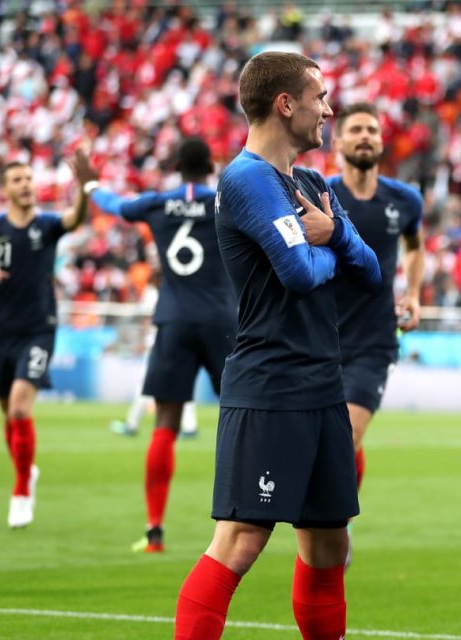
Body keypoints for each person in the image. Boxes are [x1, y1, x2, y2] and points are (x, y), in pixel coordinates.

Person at [172, 51, 380, 640]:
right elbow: (297, 271)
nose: (330, 109)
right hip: (269, 385)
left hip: (321, 384)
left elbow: (368, 270)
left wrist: (334, 234)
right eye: (320, 97)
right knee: (240, 540)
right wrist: (332, 249)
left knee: (329, 544)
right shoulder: (244, 178)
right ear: (286, 104)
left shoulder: (312, 183)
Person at [89, 137, 236, 553]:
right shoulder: (225, 201)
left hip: (173, 318)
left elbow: (113, 205)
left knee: (165, 425)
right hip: (221, 320)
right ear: (211, 165)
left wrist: (88, 186)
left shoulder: (156, 203)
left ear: (176, 166)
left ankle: (154, 531)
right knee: (241, 417)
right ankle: (246, 515)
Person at [0, 149, 97, 528]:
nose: (26, 185)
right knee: (8, 415)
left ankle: (20, 489)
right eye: (17, 180)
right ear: (5, 190)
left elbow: (74, 217)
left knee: (20, 408)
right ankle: (26, 470)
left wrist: (83, 190)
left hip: (39, 329)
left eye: (29, 178)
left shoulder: (47, 225)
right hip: (0, 332)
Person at [327, 102, 425, 491]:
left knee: (345, 434)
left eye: (372, 130)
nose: (365, 136)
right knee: (333, 435)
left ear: (382, 142)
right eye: (356, 130)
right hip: (322, 336)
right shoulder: (317, 195)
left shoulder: (404, 200)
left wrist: (414, 294)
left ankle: (339, 525)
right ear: (337, 142)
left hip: (374, 340)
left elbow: (415, 246)